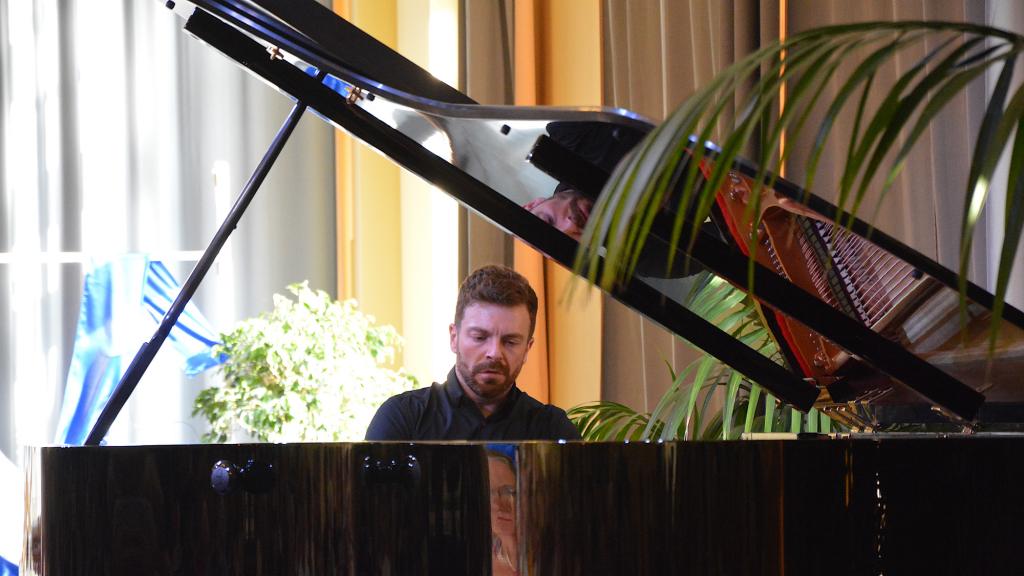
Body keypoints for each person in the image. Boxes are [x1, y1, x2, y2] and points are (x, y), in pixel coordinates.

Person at [365, 265, 581, 440]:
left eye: (510, 341)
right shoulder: (403, 418)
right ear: (454, 337)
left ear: (527, 349)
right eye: (480, 337)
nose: (494, 353)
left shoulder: (553, 430)